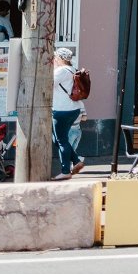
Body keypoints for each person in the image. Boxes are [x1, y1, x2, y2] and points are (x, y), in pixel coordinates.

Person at [52, 48, 85, 180]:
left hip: (62, 110)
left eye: (55, 57)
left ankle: (66, 171)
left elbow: (47, 84)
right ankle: (76, 160)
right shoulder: (73, 69)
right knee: (58, 139)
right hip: (74, 109)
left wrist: (54, 69)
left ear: (60, 58)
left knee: (61, 141)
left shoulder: (60, 71)